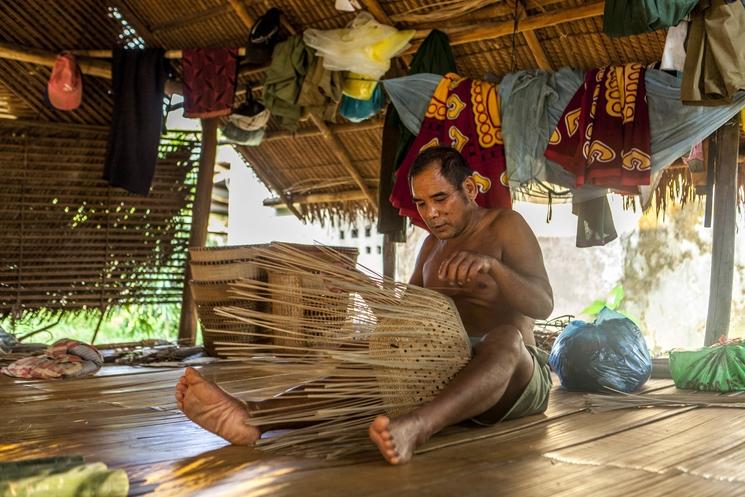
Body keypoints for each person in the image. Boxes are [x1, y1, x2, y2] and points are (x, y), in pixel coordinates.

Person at [175, 146, 554, 465]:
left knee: (503, 337)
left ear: (468, 188)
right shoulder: (431, 248)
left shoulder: (504, 225)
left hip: (515, 376)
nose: (431, 213)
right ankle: (255, 416)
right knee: (371, 354)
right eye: (422, 203)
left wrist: (494, 268)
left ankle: (417, 427)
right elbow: (406, 324)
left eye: (441, 199)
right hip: (448, 373)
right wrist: (361, 289)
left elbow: (544, 303)